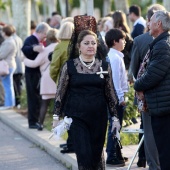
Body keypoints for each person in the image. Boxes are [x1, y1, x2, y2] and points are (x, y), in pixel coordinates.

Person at [53, 29, 120, 169]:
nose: (90, 46)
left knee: (96, 155)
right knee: (84, 155)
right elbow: (61, 92)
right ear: (79, 46)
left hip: (98, 118)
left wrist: (115, 118)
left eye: (93, 43)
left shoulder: (104, 66)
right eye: (86, 43)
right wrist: (56, 116)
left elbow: (110, 93)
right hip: (77, 118)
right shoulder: (70, 66)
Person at [130, 5, 165, 169]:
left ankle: (153, 165)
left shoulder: (142, 41)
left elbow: (134, 71)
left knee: (150, 133)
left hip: (150, 96)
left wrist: (138, 86)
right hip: (159, 97)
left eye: (149, 21)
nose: (148, 24)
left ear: (155, 22)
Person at [24, 29, 59, 130]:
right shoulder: (61, 48)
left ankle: (40, 123)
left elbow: (35, 63)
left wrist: (24, 60)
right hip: (58, 78)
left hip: (46, 78)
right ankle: (57, 125)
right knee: (59, 103)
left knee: (44, 103)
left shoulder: (45, 50)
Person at [105, 28, 128, 167]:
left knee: (117, 125)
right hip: (115, 96)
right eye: (123, 40)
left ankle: (117, 153)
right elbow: (115, 80)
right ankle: (111, 155)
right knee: (115, 125)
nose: (124, 42)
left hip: (115, 96)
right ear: (115, 41)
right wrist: (120, 97)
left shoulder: (116, 56)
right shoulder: (114, 58)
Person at [50, 21, 74, 153]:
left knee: (67, 114)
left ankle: (71, 143)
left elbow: (54, 67)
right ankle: (71, 142)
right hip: (76, 83)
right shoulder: (77, 45)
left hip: (64, 83)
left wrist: (58, 81)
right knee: (74, 114)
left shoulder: (60, 47)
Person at [21, 22, 50, 129]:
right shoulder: (30, 39)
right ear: (40, 31)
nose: (45, 37)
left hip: (38, 73)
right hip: (31, 73)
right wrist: (34, 48)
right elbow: (25, 49)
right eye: (45, 34)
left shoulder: (40, 41)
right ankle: (32, 121)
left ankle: (36, 120)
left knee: (38, 97)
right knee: (33, 97)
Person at [0, 25, 17, 107]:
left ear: (5, 33)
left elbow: (2, 54)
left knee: (7, 87)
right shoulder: (10, 41)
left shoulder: (9, 42)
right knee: (8, 86)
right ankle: (9, 104)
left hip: (7, 66)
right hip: (8, 65)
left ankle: (9, 104)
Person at [12, 26, 25, 109]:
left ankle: (17, 102)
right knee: (18, 84)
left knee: (15, 85)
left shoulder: (11, 40)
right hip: (20, 64)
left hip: (15, 65)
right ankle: (19, 101)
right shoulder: (19, 39)